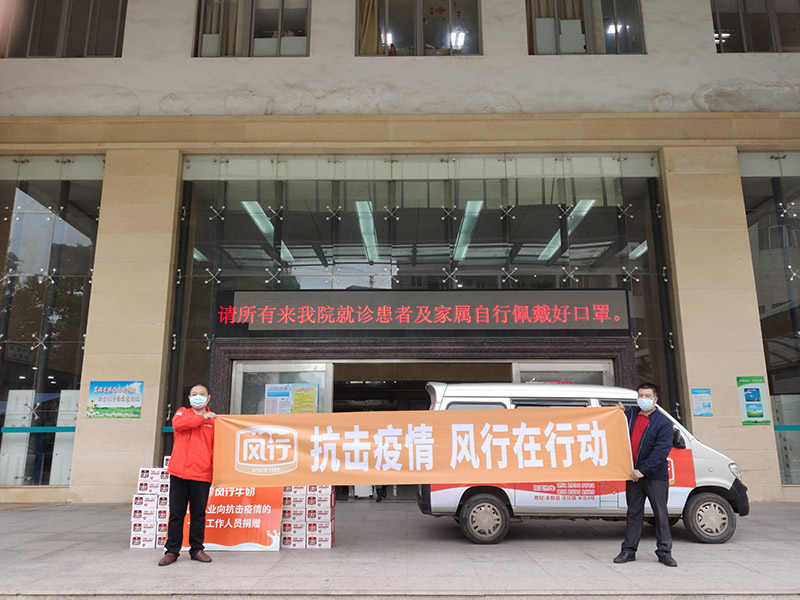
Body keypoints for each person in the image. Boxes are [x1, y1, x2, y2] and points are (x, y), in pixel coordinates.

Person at [613, 382, 678, 567]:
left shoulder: (663, 423)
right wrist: (616, 412)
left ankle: (664, 552)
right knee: (634, 513)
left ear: (655, 399)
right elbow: (612, 428)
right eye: (640, 396)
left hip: (655, 476)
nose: (643, 399)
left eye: (647, 396)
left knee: (660, 514)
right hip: (633, 475)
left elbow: (661, 451)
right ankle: (628, 551)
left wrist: (643, 471)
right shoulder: (630, 415)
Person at [158, 384, 216, 566]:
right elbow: (178, 425)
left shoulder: (214, 421)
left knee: (198, 514)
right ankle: (172, 551)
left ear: (208, 398)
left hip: (202, 473)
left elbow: (218, 446)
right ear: (189, 398)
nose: (198, 397)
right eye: (194, 394)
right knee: (177, 513)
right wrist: (202, 418)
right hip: (179, 472)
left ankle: (197, 549)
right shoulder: (182, 413)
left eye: (202, 394)